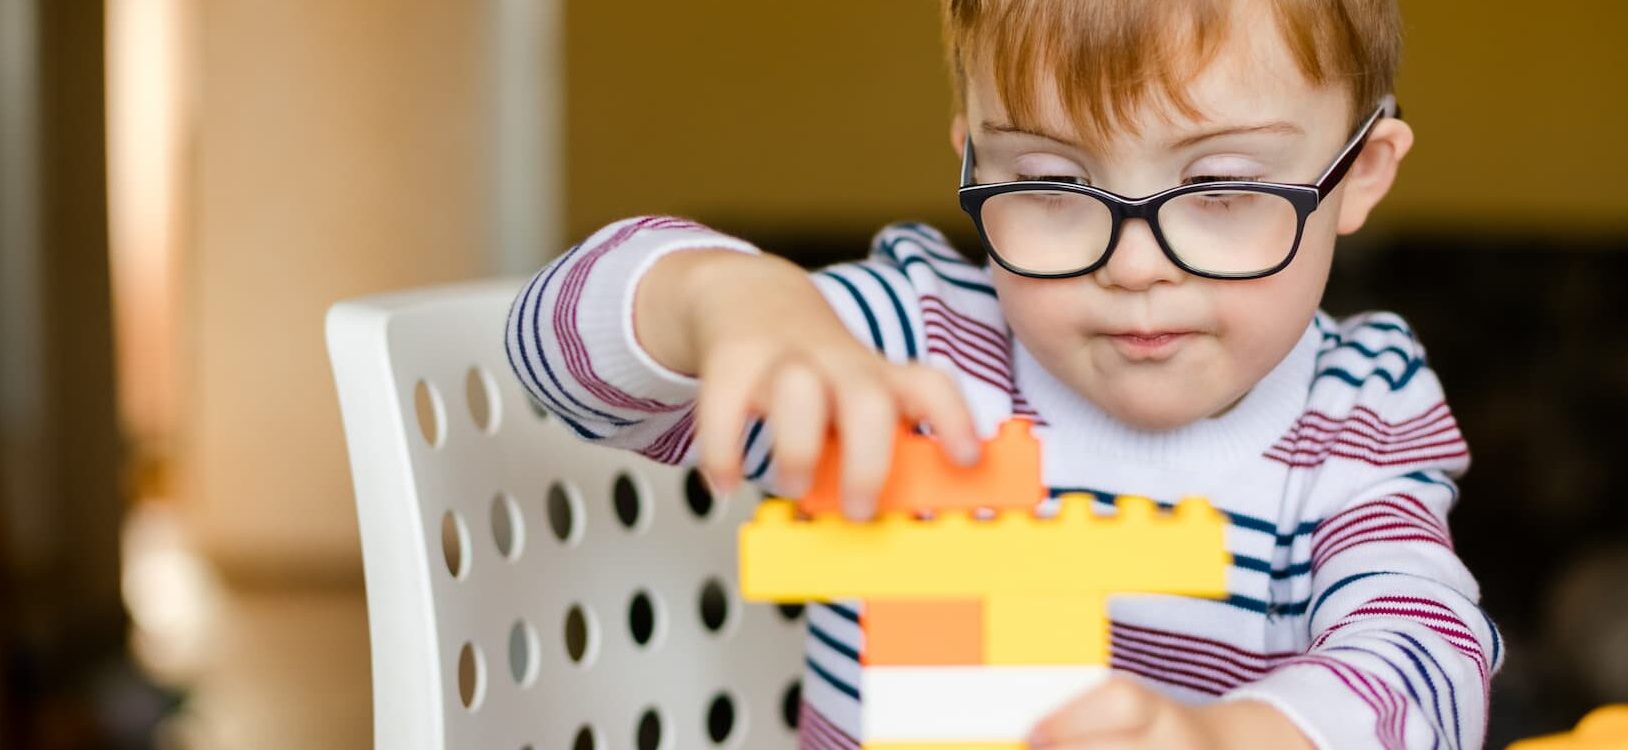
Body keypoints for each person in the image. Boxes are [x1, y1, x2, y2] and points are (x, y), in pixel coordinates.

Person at [507, 1, 1499, 747]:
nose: (1134, 266)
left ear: (1361, 173)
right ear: (975, 160)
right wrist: (728, 301)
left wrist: (1220, 738)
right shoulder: (907, 344)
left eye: (1221, 188)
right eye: (1051, 184)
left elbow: (1424, 660)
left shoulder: (1358, 412)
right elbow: (548, 357)